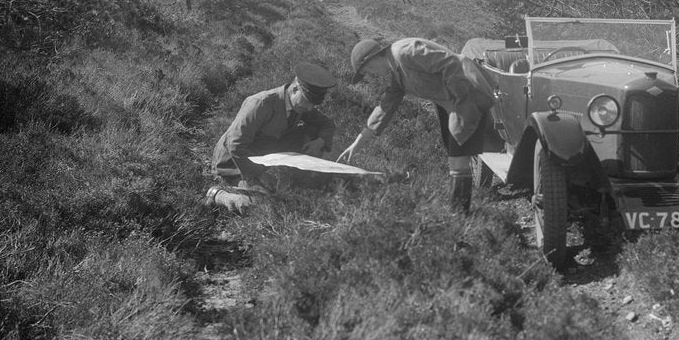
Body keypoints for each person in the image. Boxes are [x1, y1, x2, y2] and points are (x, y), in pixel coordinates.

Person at [337, 37, 495, 213]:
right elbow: (386, 106)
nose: (371, 74)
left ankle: (459, 216)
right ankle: (458, 214)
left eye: (367, 70)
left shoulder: (405, 52)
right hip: (448, 103)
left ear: (373, 59)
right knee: (455, 160)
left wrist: (459, 103)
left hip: (465, 95)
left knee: (458, 162)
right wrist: (359, 141)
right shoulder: (396, 70)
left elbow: (451, 64)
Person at [207, 62, 336, 212]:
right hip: (233, 164)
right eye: (307, 102)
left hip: (263, 157)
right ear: (294, 89)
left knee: (314, 129)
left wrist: (319, 142)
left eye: (313, 105)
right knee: (267, 206)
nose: (309, 108)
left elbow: (327, 124)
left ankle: (292, 176)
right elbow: (235, 144)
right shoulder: (261, 103)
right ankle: (219, 194)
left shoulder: (300, 104)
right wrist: (255, 177)